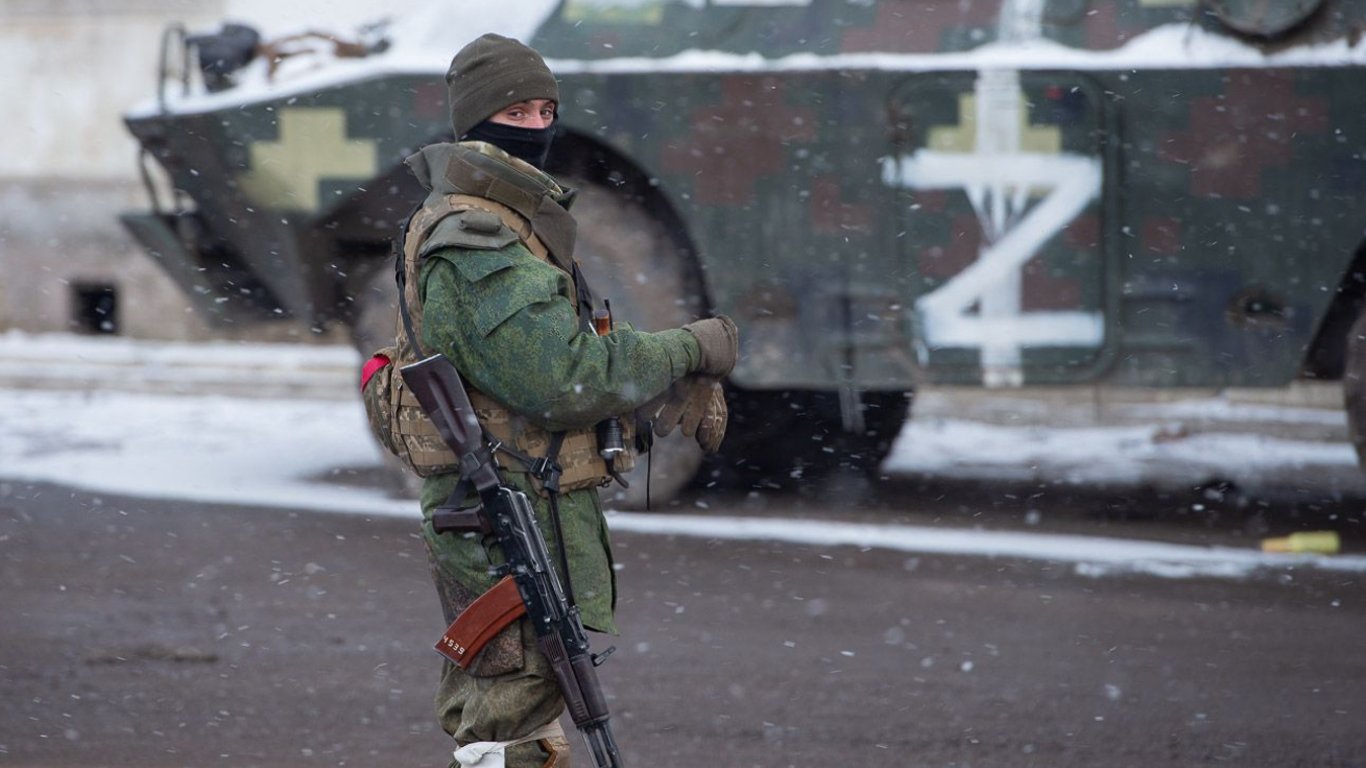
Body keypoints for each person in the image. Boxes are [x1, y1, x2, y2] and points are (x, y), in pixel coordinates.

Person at [402, 33, 739, 768]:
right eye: (515, 110)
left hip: (526, 500)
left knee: (519, 725)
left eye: (545, 108)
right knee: (508, 732)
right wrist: (689, 347)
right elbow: (562, 381)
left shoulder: (514, 222)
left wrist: (648, 392)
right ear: (476, 120)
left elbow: (533, 369)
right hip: (505, 508)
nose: (534, 124)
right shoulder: (478, 241)